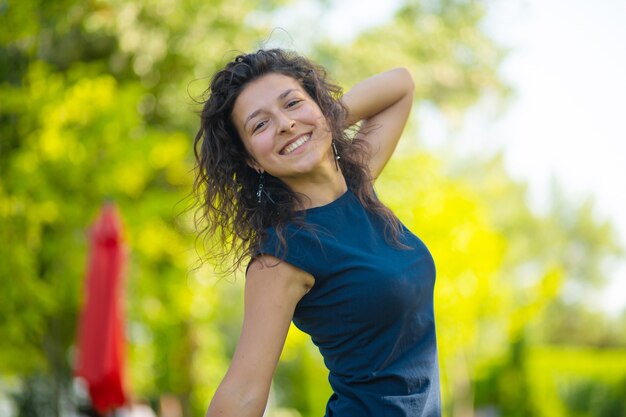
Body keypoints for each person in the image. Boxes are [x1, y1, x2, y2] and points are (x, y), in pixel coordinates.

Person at [193, 49, 440, 417]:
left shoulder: (358, 185)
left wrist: (319, 121)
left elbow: (400, 84)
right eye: (260, 125)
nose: (285, 124)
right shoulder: (281, 255)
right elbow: (242, 392)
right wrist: (308, 124)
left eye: (292, 103)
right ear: (250, 160)